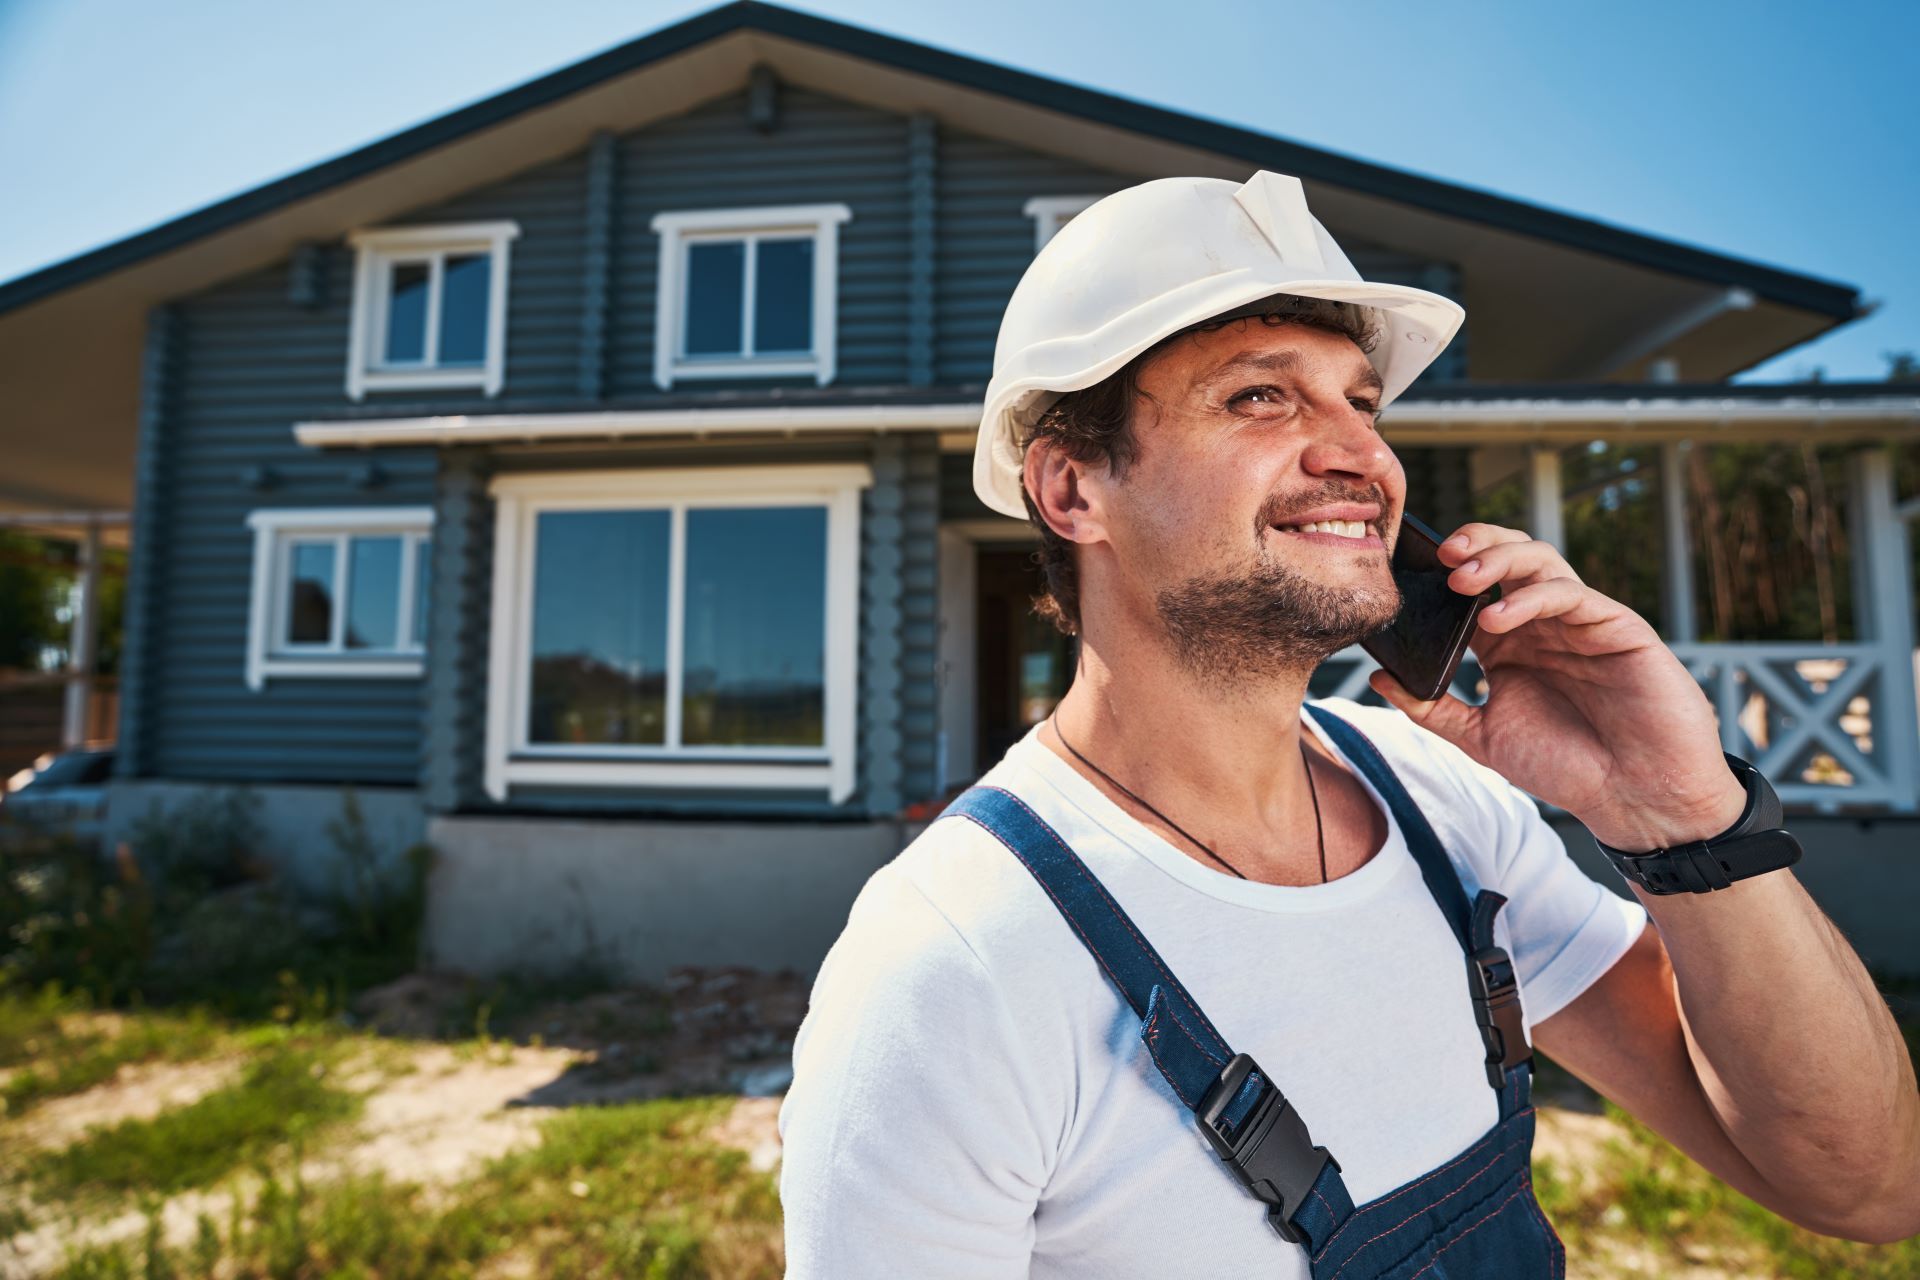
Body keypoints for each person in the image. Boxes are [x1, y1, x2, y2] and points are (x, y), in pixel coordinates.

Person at [778, 171, 1920, 1278]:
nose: (1363, 456)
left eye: (1362, 403)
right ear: (1073, 489)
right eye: (1261, 396)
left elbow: (1863, 1187)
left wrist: (1681, 818)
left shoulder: (1445, 804)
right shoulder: (954, 965)